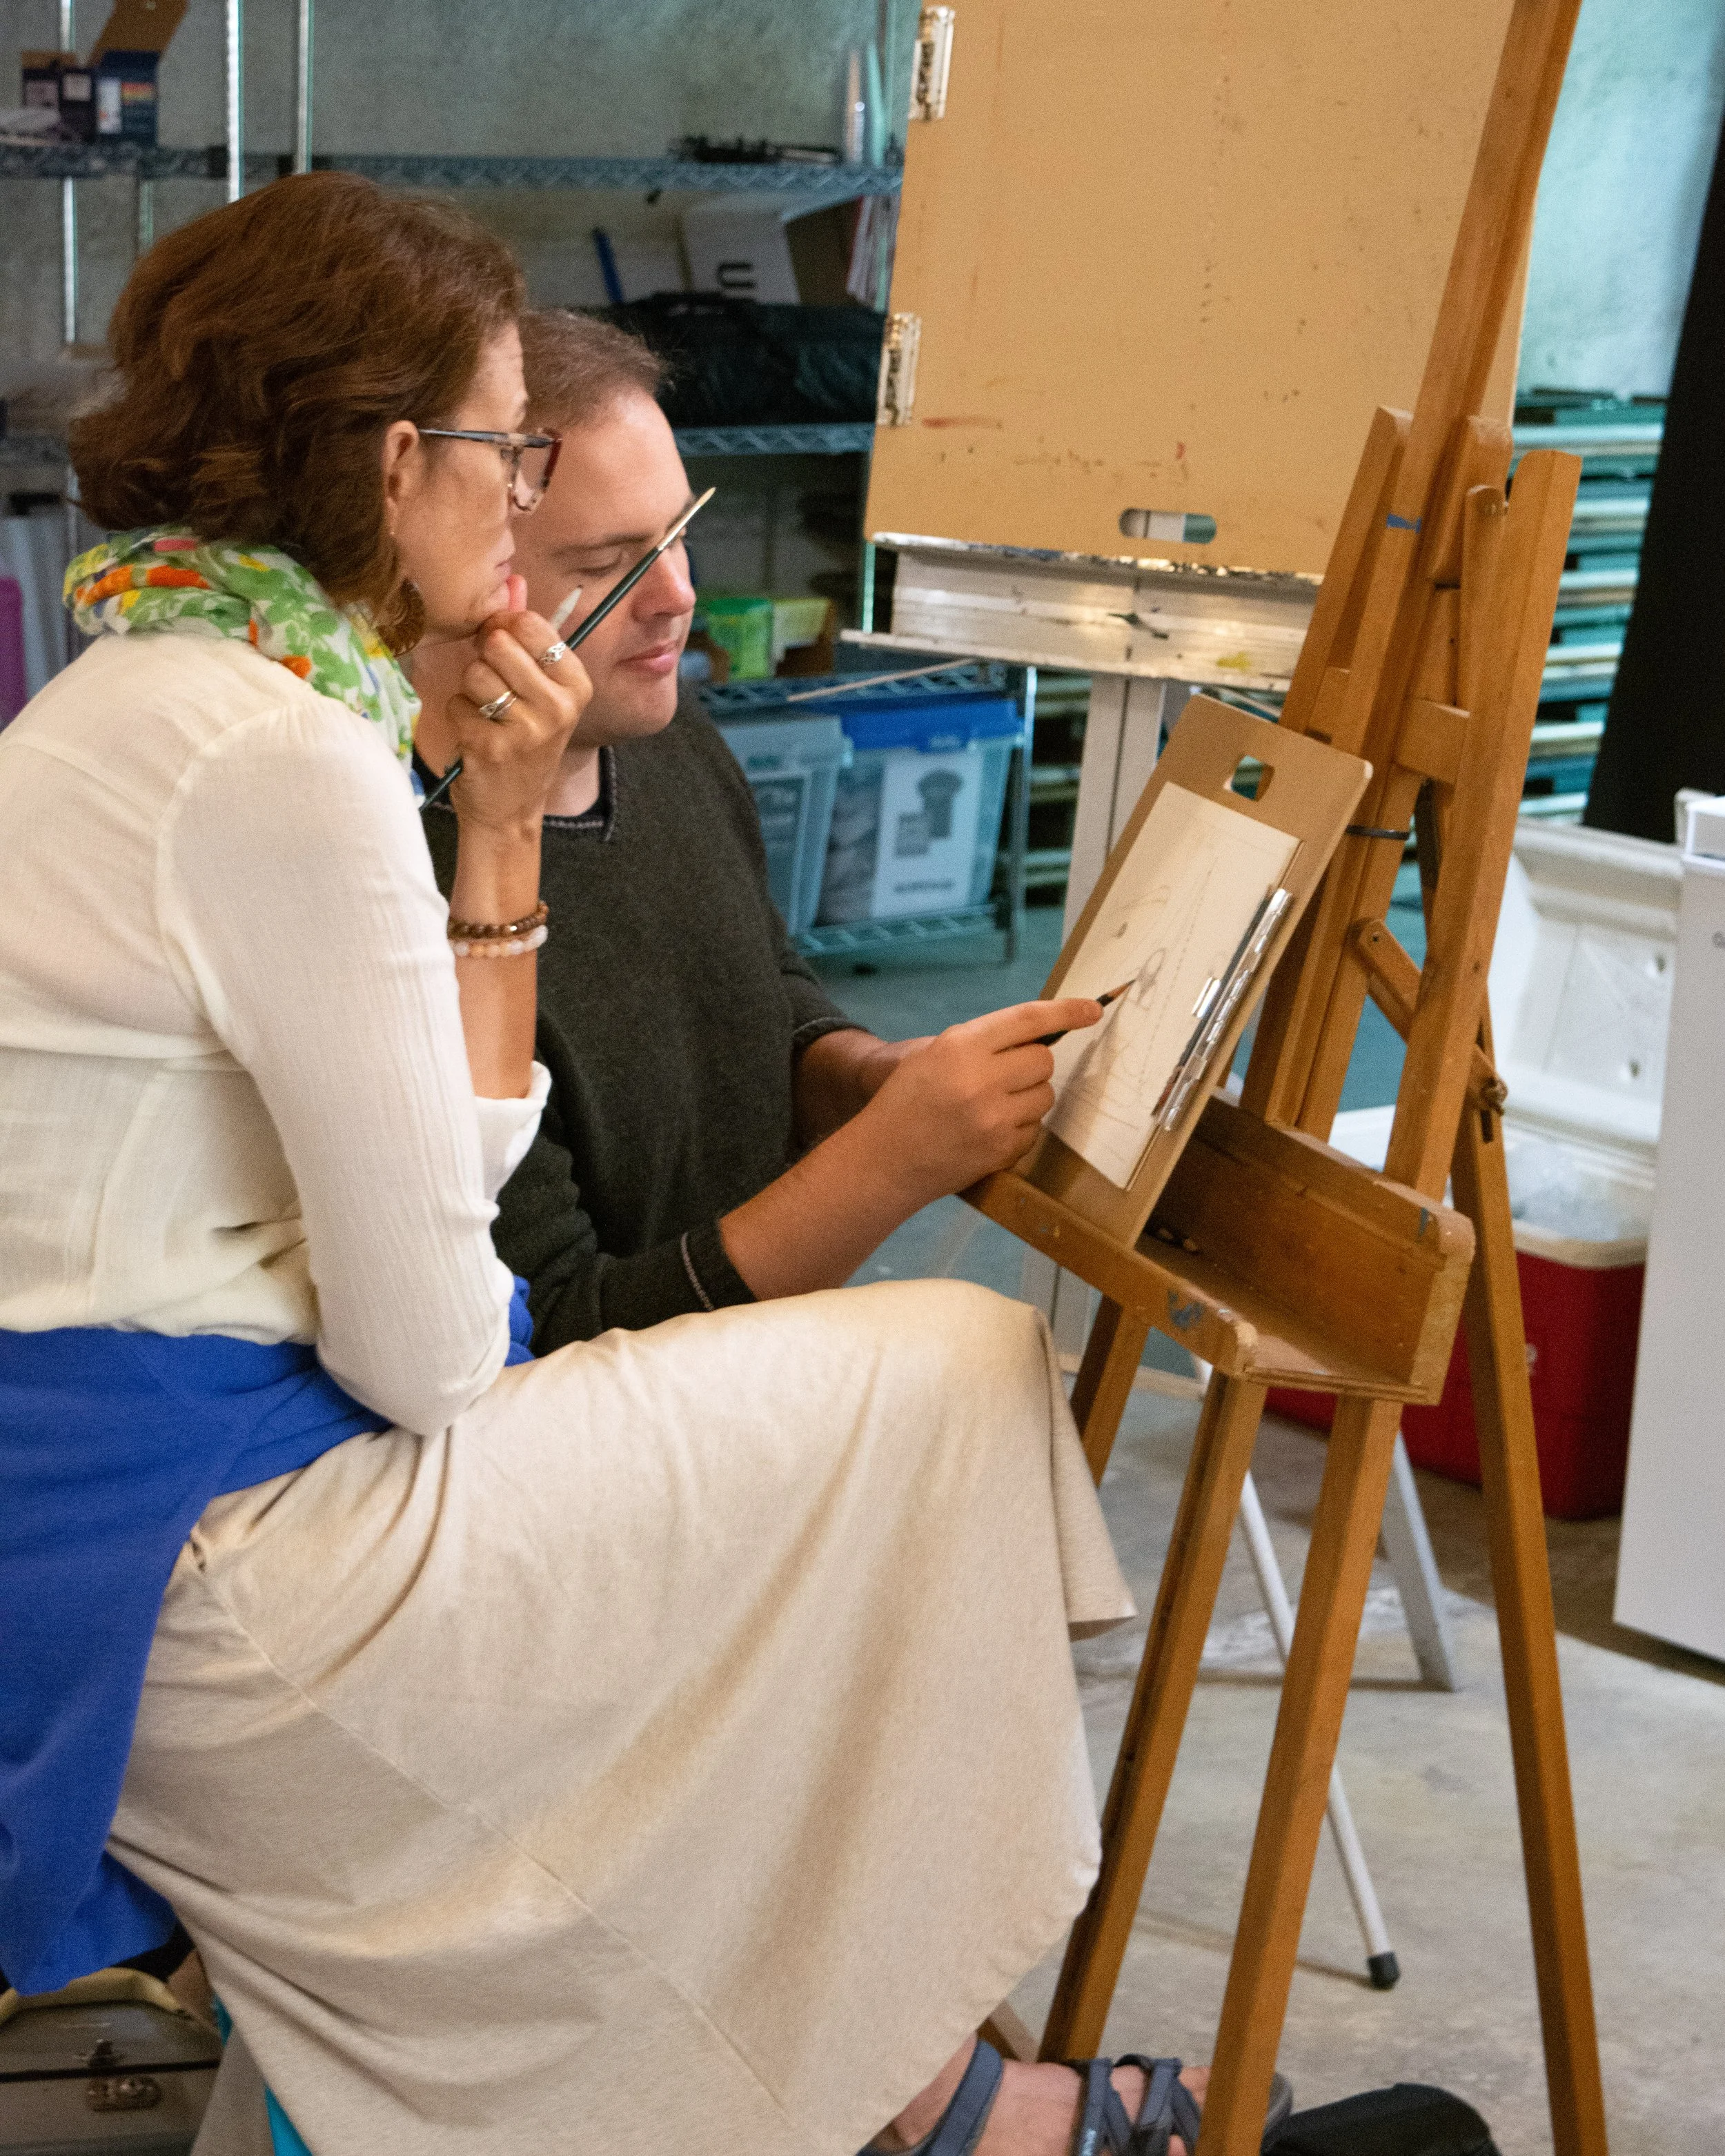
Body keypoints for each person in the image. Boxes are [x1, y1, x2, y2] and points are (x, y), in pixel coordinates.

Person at [0, 173, 1246, 2156]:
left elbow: (474, 1195)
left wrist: (507, 844)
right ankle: (928, 2078)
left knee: (838, 1485)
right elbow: (448, 1348)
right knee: (949, 1367)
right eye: (511, 461)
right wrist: (503, 858)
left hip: (118, 1514)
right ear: (398, 464)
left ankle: (914, 2069)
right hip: (205, 1549)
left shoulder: (150, 686)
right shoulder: (289, 762)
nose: (521, 516)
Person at [411, 306, 1079, 1348]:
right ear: (460, 569)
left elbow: (762, 998)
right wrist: (891, 1162)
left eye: (679, 534)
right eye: (609, 562)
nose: (678, 596)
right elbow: (559, 1331)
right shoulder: (407, 880)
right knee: (988, 1356)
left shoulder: (669, 741)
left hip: (747, 1367)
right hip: (596, 1418)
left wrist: (873, 1078)